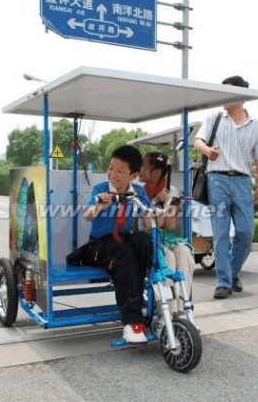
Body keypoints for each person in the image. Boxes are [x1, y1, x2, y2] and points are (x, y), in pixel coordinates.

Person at [194, 75, 258, 299]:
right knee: (221, 233)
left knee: (246, 232)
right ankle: (224, 282)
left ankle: (233, 272)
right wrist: (208, 151)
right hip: (216, 180)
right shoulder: (215, 117)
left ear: (242, 96)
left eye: (227, 91)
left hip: (243, 182)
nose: (222, 96)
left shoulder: (256, 126)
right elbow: (198, 141)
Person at [70, 145, 152, 344]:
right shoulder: (101, 189)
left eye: (119, 171)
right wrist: (99, 206)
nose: (112, 174)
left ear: (133, 175)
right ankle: (131, 321)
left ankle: (144, 306)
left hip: (122, 240)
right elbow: (87, 215)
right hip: (99, 245)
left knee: (143, 240)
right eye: (110, 168)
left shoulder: (138, 192)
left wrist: (155, 217)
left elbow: (148, 220)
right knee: (124, 253)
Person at [139, 151, 196, 314]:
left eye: (143, 167)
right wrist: (164, 202)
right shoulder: (140, 192)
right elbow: (149, 226)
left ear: (155, 173)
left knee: (185, 254)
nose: (140, 170)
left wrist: (171, 202)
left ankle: (183, 310)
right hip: (150, 241)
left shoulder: (173, 190)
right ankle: (169, 313)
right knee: (168, 258)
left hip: (170, 241)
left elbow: (170, 226)